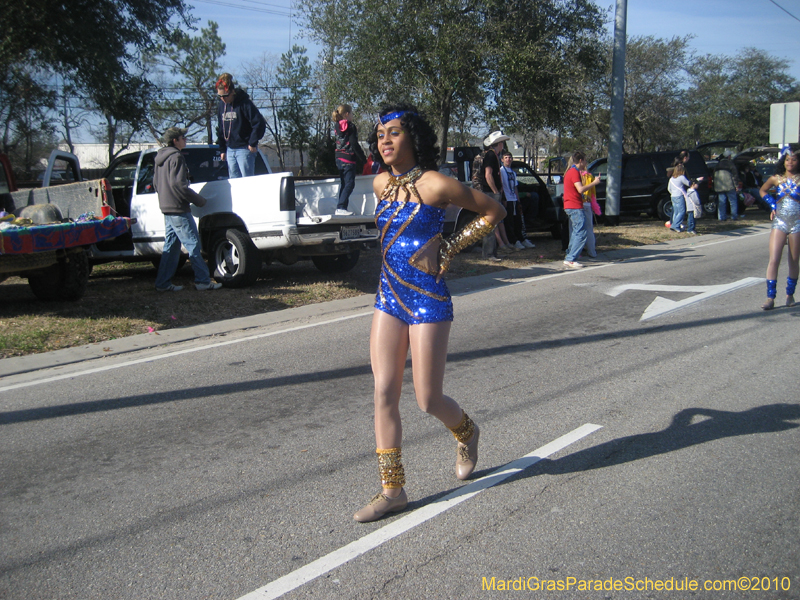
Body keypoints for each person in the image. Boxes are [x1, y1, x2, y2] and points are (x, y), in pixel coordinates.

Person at [353, 104, 506, 523]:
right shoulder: (381, 183)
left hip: (428, 299)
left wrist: (451, 247)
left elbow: (494, 211)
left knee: (427, 398)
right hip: (389, 296)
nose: (385, 140)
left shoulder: (438, 184)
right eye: (380, 133)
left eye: (395, 132)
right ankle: (393, 490)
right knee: (383, 390)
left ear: (414, 138)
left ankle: (467, 431)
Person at [153, 127, 222, 292]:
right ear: (175, 140)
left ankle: (162, 284)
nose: (186, 140)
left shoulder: (160, 158)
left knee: (171, 247)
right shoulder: (176, 157)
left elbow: (156, 184)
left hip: (167, 208)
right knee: (193, 245)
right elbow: (179, 185)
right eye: (183, 137)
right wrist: (199, 200)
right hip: (178, 209)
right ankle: (203, 281)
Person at [758, 150, 800, 310]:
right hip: (780, 221)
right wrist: (773, 205)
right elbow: (763, 190)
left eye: (794, 160)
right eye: (788, 159)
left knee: (794, 260)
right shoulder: (776, 178)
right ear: (783, 161)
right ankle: (770, 297)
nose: (790, 162)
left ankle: (790, 295)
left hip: (797, 223)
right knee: (774, 259)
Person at [215, 73, 267, 178]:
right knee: (234, 182)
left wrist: (252, 142)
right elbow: (221, 128)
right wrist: (222, 149)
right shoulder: (221, 106)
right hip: (230, 149)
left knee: (246, 180)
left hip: (244, 149)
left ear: (232, 92)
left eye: (225, 96)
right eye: (220, 96)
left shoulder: (244, 103)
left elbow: (259, 123)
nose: (223, 99)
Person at [562, 151, 600, 269]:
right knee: (581, 232)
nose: (585, 163)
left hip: (571, 205)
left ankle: (569, 255)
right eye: (585, 161)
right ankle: (571, 258)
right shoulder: (574, 172)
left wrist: (584, 197)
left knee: (576, 232)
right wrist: (594, 183)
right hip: (575, 206)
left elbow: (573, 190)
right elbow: (580, 189)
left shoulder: (570, 172)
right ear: (580, 161)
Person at [480, 131, 514, 257]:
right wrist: (495, 191)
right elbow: (488, 175)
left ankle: (492, 252)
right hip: (490, 193)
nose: (503, 145)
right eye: (502, 143)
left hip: (491, 193)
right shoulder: (490, 156)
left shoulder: (494, 156)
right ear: (499, 144)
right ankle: (488, 254)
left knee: (493, 223)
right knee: (490, 224)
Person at [333, 104, 368, 215]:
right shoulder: (350, 126)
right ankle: (341, 207)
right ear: (347, 114)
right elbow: (354, 143)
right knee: (350, 183)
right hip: (348, 158)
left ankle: (341, 208)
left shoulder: (337, 125)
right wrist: (363, 159)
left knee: (344, 184)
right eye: (352, 113)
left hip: (338, 157)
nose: (352, 116)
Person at [500, 150, 535, 249]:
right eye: (506, 158)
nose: (508, 159)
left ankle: (521, 239)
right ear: (502, 160)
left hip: (514, 199)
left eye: (510, 157)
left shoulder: (513, 173)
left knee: (517, 221)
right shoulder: (501, 171)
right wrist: (504, 199)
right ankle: (513, 240)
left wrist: (518, 200)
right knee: (509, 221)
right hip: (507, 199)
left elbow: (515, 187)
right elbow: (501, 186)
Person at [580, 166, 600, 258]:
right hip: (587, 204)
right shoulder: (589, 177)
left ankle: (577, 252)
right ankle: (591, 251)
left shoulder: (575, 175)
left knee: (575, 230)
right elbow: (593, 194)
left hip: (577, 204)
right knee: (589, 228)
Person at [714, 150, 741, 221]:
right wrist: (736, 186)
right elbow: (735, 176)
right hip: (729, 185)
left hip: (719, 186)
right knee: (733, 201)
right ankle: (734, 216)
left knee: (721, 202)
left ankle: (721, 217)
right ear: (728, 156)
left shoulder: (718, 165)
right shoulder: (730, 164)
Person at [667, 163, 692, 232]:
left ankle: (674, 224)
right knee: (682, 211)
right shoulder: (681, 177)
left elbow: (669, 189)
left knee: (676, 212)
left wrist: (673, 193)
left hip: (673, 196)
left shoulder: (671, 179)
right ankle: (675, 225)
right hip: (680, 195)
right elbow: (688, 183)